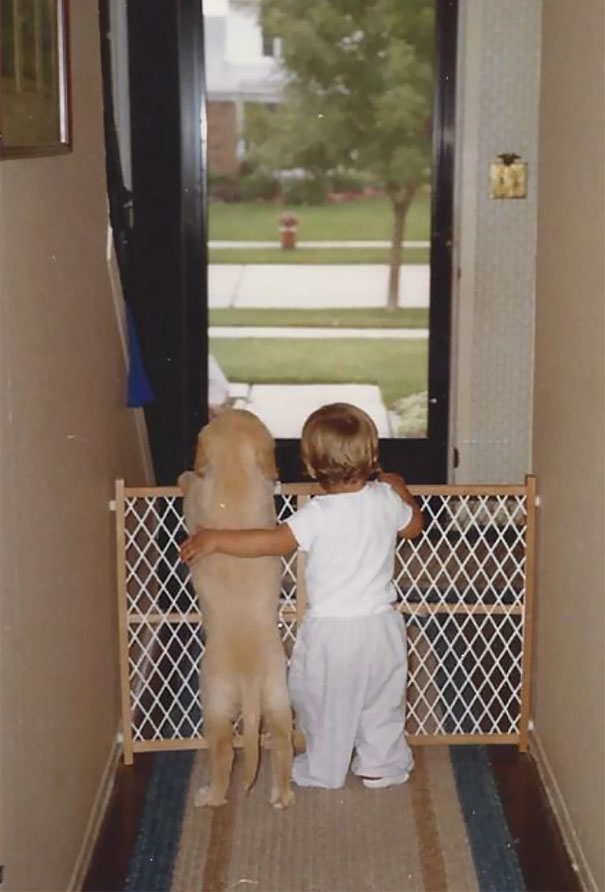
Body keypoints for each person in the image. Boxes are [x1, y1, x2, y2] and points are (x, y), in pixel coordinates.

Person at [180, 403, 423, 790]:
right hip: (382, 629)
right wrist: (400, 487)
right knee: (383, 700)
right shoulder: (385, 499)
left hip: (332, 634)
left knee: (324, 703)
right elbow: (413, 527)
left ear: (310, 466)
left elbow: (271, 542)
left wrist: (217, 539)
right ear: (373, 456)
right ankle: (382, 764)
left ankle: (324, 768)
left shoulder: (318, 513)